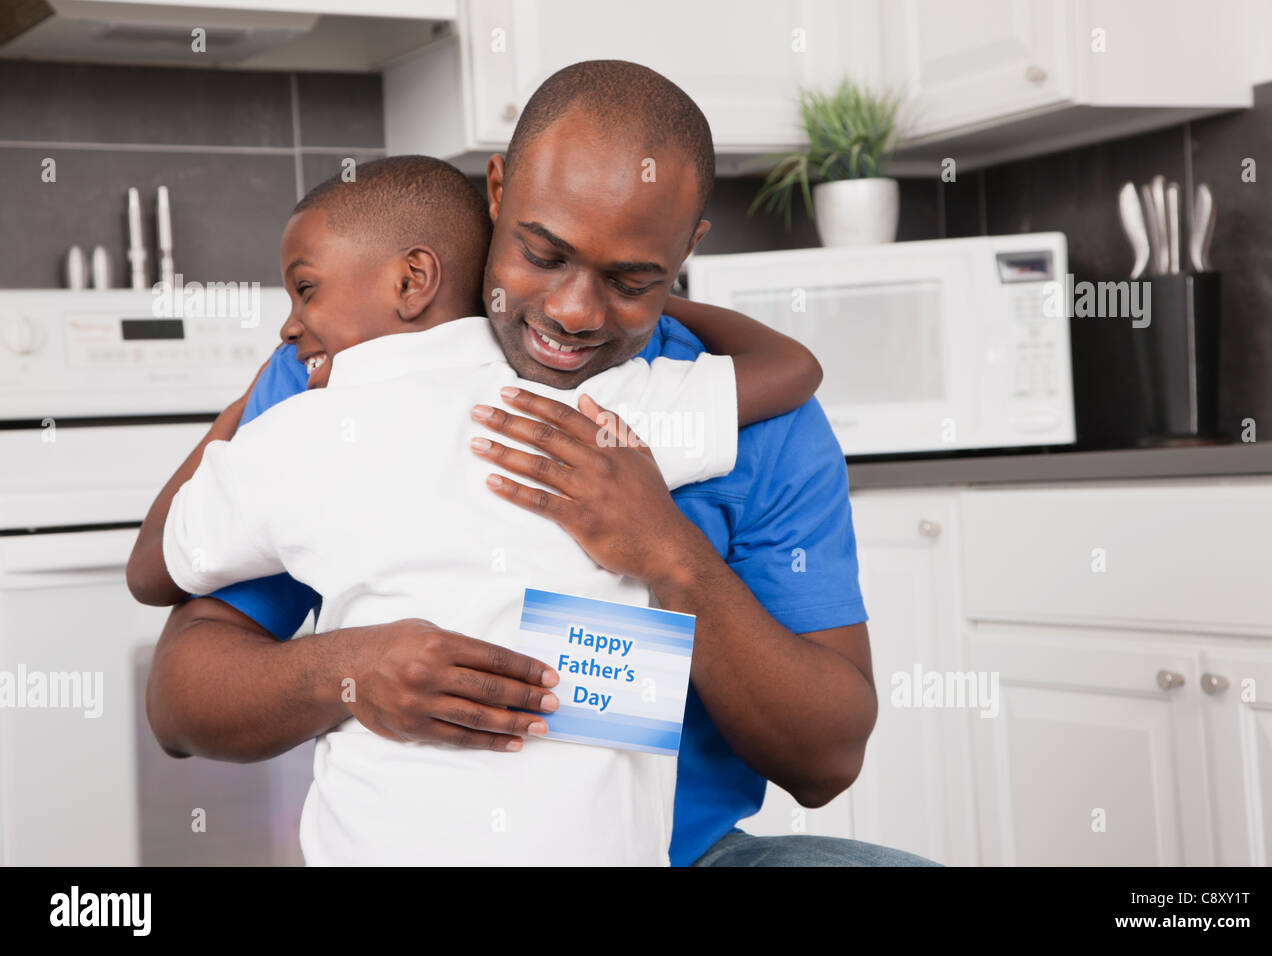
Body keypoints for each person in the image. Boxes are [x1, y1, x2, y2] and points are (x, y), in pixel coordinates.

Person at [140, 60, 940, 866]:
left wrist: (670, 555)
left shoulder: (733, 412)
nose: (573, 312)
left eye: (632, 279)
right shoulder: (349, 370)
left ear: (687, 249)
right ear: (496, 194)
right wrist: (350, 670)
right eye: (543, 254)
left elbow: (826, 762)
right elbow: (177, 702)